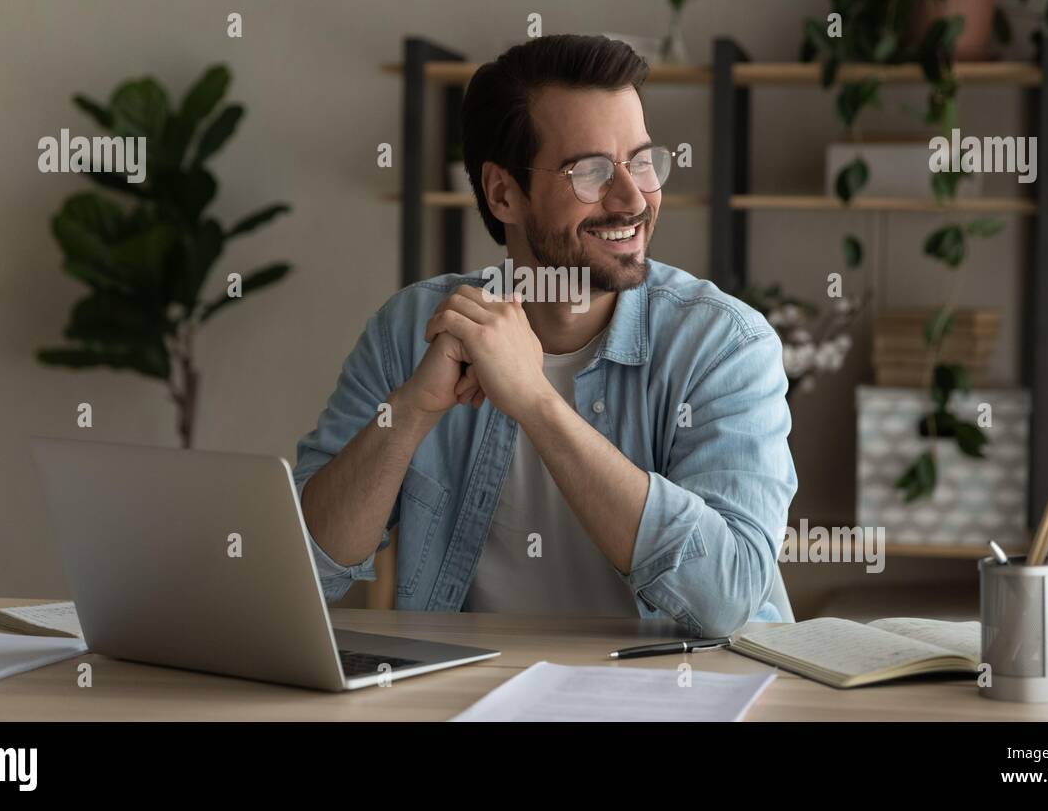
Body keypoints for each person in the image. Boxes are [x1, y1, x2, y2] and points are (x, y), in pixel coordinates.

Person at [293, 34, 796, 636]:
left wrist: (535, 402)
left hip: (679, 698)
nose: (633, 197)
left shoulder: (725, 345)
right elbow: (306, 569)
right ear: (504, 193)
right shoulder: (412, 329)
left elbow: (728, 600)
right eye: (589, 172)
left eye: (642, 161)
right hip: (471, 696)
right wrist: (411, 411)